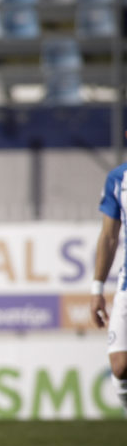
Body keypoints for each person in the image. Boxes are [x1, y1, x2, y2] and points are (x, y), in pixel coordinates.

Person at [90, 130, 127, 414]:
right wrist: (97, 289)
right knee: (120, 364)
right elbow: (109, 236)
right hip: (126, 285)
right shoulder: (118, 178)